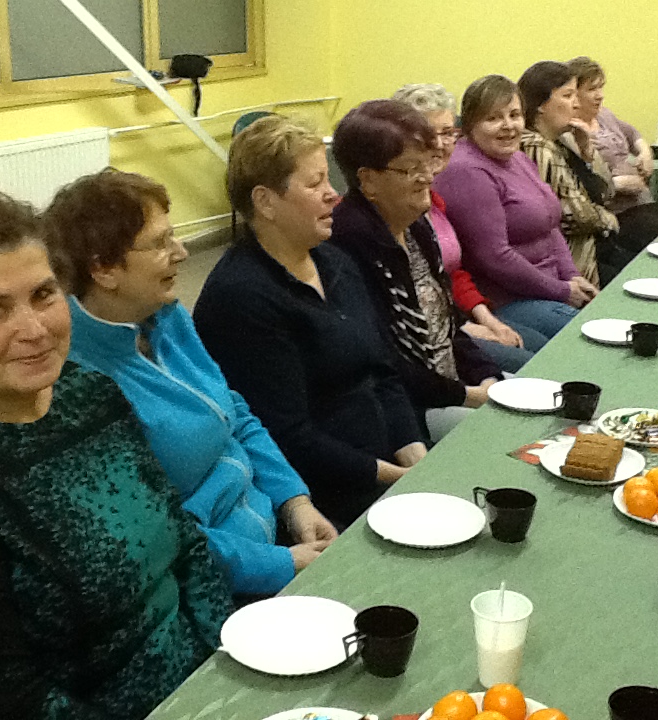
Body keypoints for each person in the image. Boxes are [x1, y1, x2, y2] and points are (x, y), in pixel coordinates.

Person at [0, 189, 233, 719]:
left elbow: (185, 543)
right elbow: (0, 700)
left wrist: (227, 665)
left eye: (43, 295)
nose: (34, 330)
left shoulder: (89, 392)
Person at [44, 169, 337, 598]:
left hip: (271, 530)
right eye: (160, 243)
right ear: (103, 269)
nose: (182, 252)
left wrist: (295, 502)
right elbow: (158, 535)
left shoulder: (164, 314)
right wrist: (281, 564)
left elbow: (235, 414)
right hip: (209, 582)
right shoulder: (78, 381)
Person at [192, 116, 427, 528]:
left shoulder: (335, 261)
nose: (334, 194)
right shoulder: (241, 297)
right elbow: (289, 435)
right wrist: (395, 477)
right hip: (325, 495)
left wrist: (416, 452)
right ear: (266, 202)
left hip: (384, 462)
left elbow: (383, 372)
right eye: (315, 183)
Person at [329, 99, 502, 442]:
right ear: (368, 180)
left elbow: (448, 324)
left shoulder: (416, 227)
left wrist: (486, 376)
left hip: (453, 386)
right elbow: (383, 363)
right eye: (411, 169)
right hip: (408, 411)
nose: (427, 177)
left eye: (428, 162)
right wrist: (469, 395)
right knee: (508, 435)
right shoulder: (348, 244)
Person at [392, 82, 546, 372]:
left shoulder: (434, 202)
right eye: (429, 135)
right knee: (534, 366)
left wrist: (488, 320)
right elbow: (414, 300)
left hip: (461, 315)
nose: (441, 144)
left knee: (542, 347)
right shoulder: (400, 210)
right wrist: (469, 328)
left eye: (448, 133)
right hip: (431, 337)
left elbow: (453, 272)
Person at [433, 74, 594, 347]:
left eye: (514, 115)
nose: (508, 126)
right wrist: (561, 291)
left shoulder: (518, 158)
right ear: (469, 125)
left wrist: (571, 275)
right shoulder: (466, 170)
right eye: (493, 118)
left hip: (550, 288)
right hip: (506, 299)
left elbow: (550, 225)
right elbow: (494, 257)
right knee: (586, 337)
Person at [518, 60, 623, 286]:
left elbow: (607, 192)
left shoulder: (564, 140)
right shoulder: (536, 147)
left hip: (595, 248)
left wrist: (587, 151)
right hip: (575, 262)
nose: (576, 104)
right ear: (541, 104)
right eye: (568, 96)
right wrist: (608, 219)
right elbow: (574, 213)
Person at [566, 56, 658, 256]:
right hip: (615, 213)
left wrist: (645, 153)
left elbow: (632, 134)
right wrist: (618, 184)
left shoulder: (604, 115)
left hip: (642, 202)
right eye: (592, 89)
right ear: (574, 94)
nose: (600, 95)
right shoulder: (571, 132)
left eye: (601, 87)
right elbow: (577, 182)